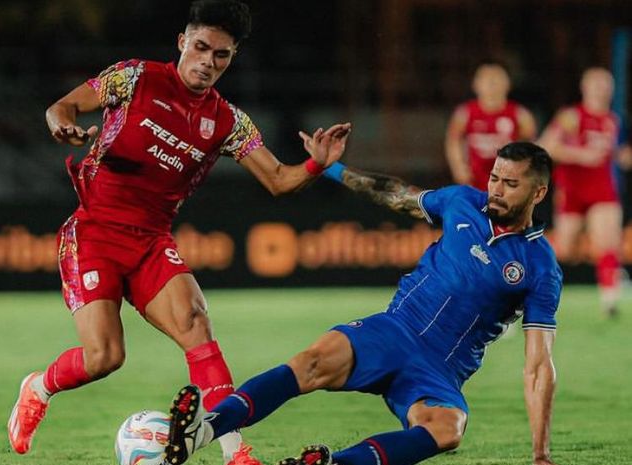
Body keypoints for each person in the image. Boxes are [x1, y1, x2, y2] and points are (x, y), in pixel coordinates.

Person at [6, 0, 351, 460]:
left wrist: (316, 164)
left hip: (150, 241)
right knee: (105, 358)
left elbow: (278, 180)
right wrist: (63, 126)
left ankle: (236, 452)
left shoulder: (228, 122)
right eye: (202, 47)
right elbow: (62, 106)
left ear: (231, 60)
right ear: (182, 43)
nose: (208, 62)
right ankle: (38, 387)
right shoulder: (135, 78)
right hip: (94, 232)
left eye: (221, 55)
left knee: (197, 326)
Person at [165, 141, 562, 465]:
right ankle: (204, 429)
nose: (496, 189)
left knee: (448, 428)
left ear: (538, 192)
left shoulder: (540, 267)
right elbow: (395, 195)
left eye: (510, 184)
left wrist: (541, 455)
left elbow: (538, 366)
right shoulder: (461, 202)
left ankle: (331, 464)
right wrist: (333, 169)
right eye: (494, 178)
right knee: (312, 361)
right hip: (393, 330)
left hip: (441, 368)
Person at [539, 67, 624, 317]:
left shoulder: (612, 120)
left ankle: (610, 303)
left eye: (606, 84)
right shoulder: (571, 116)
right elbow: (546, 146)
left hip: (603, 191)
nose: (602, 89)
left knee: (607, 242)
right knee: (565, 249)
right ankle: (525, 281)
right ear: (585, 87)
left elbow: (610, 155)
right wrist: (581, 155)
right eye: (596, 84)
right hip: (572, 190)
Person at [445, 61, 538, 191]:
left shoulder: (520, 114)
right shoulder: (465, 113)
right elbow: (453, 141)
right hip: (474, 180)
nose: (492, 84)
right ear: (475, 84)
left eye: (497, 79)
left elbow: (531, 145)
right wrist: (458, 167)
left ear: (508, 84)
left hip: (507, 182)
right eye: (486, 79)